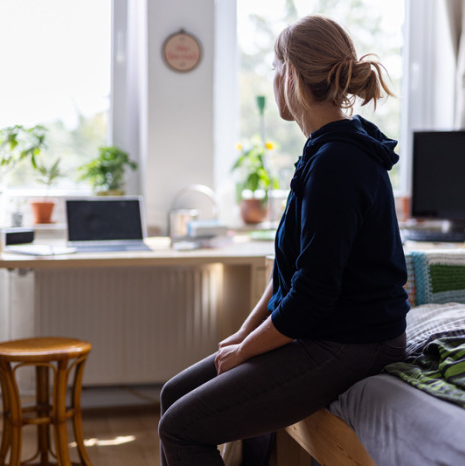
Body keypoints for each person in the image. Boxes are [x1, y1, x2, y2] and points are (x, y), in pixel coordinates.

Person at [158, 15, 409, 466]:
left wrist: (247, 351)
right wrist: (241, 337)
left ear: (290, 74)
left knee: (179, 429)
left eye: (275, 66)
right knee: (173, 394)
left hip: (354, 342)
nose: (272, 77)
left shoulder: (338, 162)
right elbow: (290, 275)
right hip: (327, 330)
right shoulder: (323, 151)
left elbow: (311, 297)